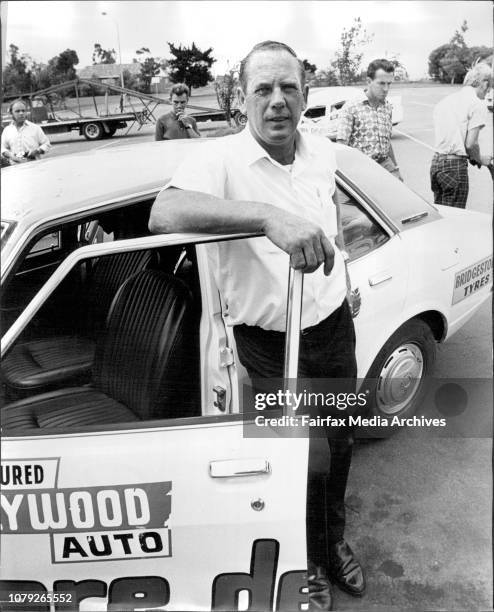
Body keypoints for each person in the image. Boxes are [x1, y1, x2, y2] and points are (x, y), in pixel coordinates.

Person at [150, 40, 365, 610]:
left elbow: (330, 225)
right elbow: (163, 213)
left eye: (288, 88)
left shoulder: (322, 154)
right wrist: (269, 217)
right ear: (239, 99)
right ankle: (306, 564)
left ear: (306, 95)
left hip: (332, 327)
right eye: (262, 89)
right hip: (269, 347)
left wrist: (346, 280)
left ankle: (332, 542)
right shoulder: (217, 160)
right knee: (296, 457)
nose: (277, 102)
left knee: (339, 446)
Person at [430, 62, 493, 208]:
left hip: (436, 164)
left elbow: (452, 137)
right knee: (455, 218)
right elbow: (471, 144)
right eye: (489, 86)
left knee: (442, 214)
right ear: (483, 83)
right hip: (454, 167)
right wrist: (480, 159)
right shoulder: (477, 103)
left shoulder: (445, 102)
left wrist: (471, 156)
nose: (488, 91)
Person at [336, 59, 402, 180]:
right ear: (368, 81)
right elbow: (341, 146)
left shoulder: (387, 107)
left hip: (386, 165)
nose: (386, 89)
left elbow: (387, 142)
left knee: (401, 195)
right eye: (381, 83)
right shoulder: (351, 107)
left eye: (389, 84)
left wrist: (396, 168)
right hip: (361, 169)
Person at [1, 99, 51, 165]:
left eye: (23, 111)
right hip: (15, 169)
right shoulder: (7, 130)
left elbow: (46, 144)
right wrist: (12, 156)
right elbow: (3, 148)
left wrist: (36, 151)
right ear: (11, 113)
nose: (21, 113)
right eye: (17, 111)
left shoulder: (35, 128)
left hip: (35, 167)